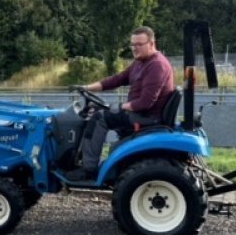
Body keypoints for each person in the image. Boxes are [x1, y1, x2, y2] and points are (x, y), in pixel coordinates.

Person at [66, 26, 175, 181]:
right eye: (132, 45)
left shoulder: (157, 65)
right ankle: (84, 160)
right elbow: (118, 79)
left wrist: (119, 107)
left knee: (99, 118)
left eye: (139, 44)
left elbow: (145, 102)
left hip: (147, 117)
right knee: (97, 110)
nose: (135, 48)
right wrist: (87, 88)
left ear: (152, 43)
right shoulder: (140, 62)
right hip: (141, 112)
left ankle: (88, 169)